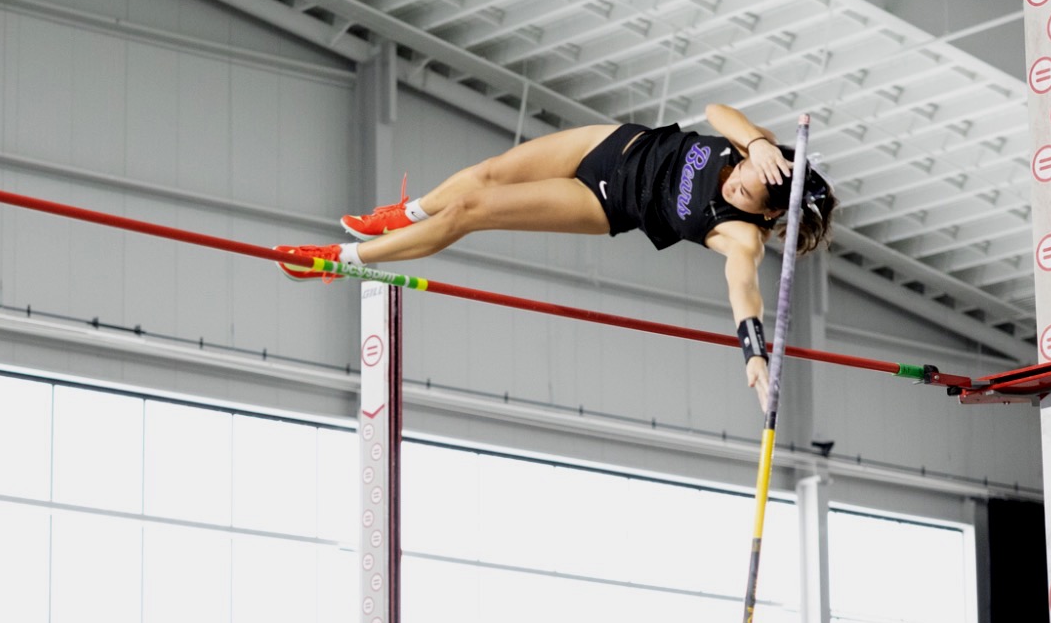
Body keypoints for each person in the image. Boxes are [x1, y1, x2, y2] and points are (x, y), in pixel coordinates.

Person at [274, 104, 837, 412]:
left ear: (769, 214)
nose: (736, 185)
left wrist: (754, 354)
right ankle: (408, 212)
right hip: (612, 145)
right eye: (743, 175)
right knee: (486, 173)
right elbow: (717, 111)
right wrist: (758, 144)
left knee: (469, 211)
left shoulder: (741, 235)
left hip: (604, 202)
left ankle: (342, 259)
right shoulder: (752, 146)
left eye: (748, 195)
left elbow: (743, 286)